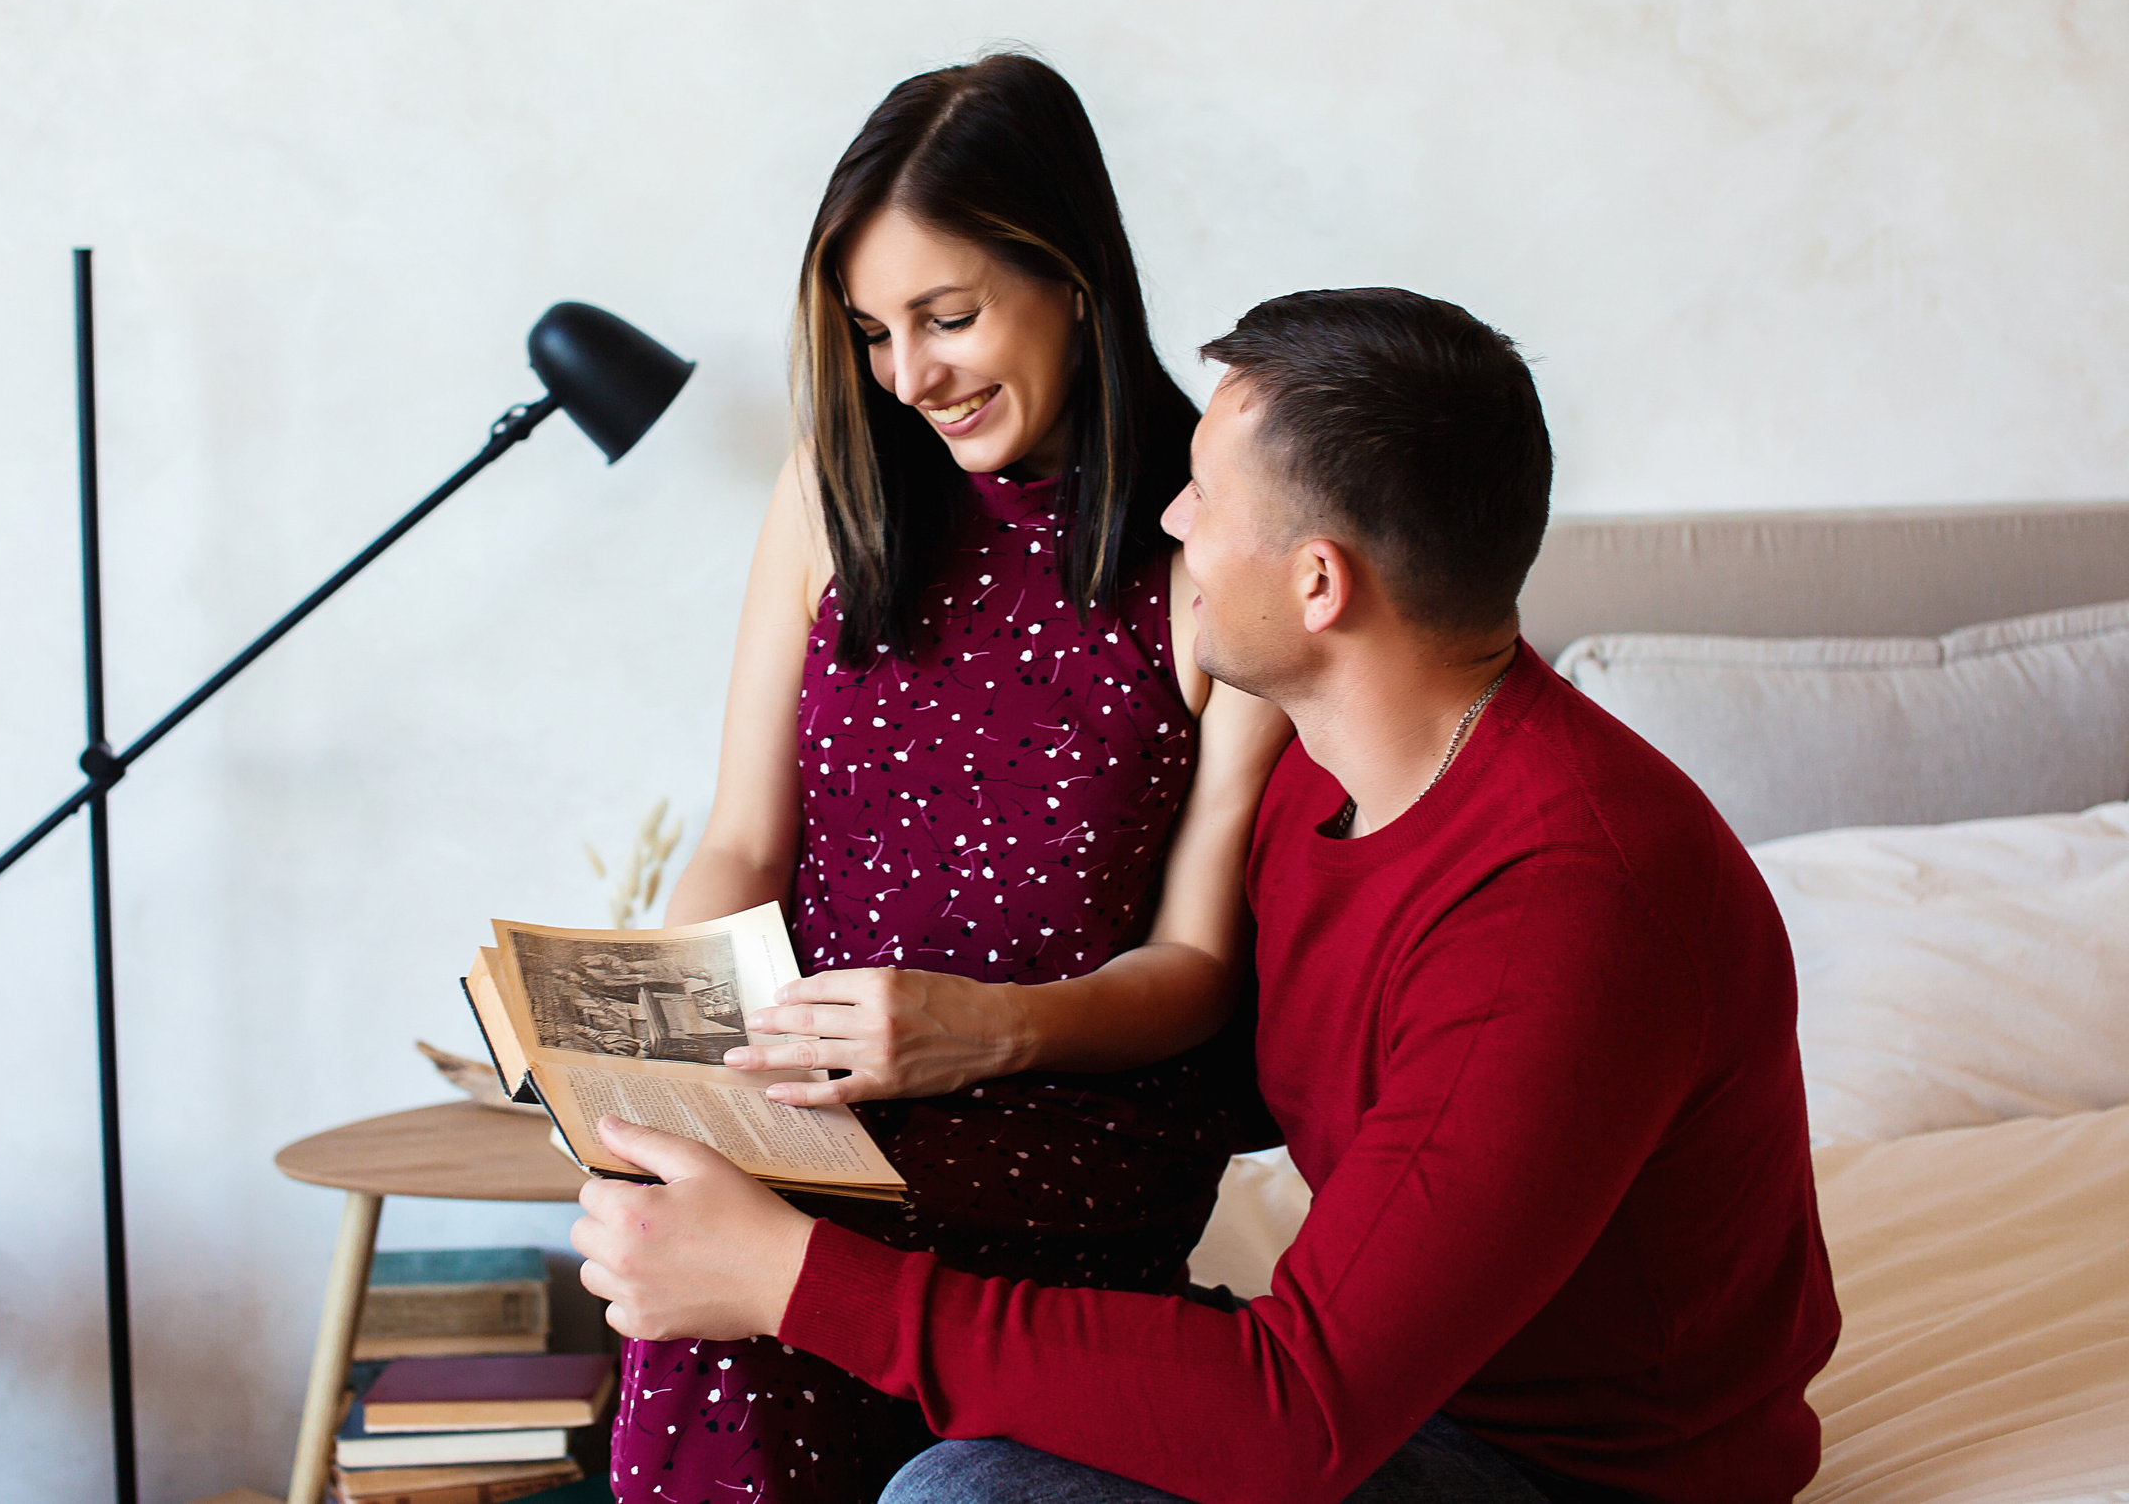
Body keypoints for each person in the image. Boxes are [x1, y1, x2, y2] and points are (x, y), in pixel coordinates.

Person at [575, 289, 1844, 1503]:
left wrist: (789, 1275)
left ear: (1318, 583)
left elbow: (1295, 1414)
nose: (1168, 522)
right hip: (1401, 1385)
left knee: (968, 1496)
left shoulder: (1565, 911)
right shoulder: (1317, 778)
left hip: (1567, 1475)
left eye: (1203, 494)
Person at [610, 54, 1294, 1501]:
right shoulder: (834, 486)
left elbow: (1196, 962)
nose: (908, 375)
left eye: (949, 315)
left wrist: (983, 1029)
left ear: (1074, 275)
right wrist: (655, 1061)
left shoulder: (1207, 543)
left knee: (745, 1307)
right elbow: (740, 836)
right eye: (872, 330)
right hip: (824, 1118)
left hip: (1067, 1146)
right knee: (690, 1287)